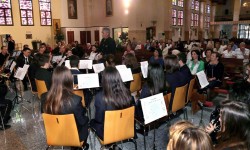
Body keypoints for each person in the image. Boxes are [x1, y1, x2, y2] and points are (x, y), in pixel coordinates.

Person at [41, 66, 89, 149]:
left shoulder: (43, 97)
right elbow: (82, 121)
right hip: (73, 136)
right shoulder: (75, 100)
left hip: (54, 133)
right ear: (69, 80)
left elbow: (44, 114)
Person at [90, 67, 134, 140]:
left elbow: (99, 119)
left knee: (92, 121)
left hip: (108, 132)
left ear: (104, 80)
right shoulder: (127, 92)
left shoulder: (100, 97)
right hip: (126, 128)